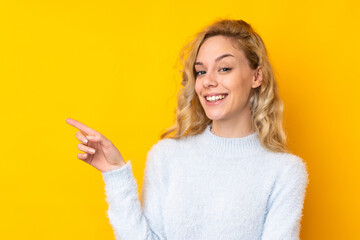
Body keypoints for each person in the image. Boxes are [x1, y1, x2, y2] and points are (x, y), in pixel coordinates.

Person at [66, 18, 309, 240]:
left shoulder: (285, 172)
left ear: (257, 77)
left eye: (224, 68)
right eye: (201, 71)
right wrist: (115, 174)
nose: (208, 81)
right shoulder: (167, 155)